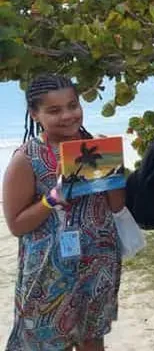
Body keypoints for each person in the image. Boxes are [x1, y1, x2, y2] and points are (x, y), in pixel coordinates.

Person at [2, 74, 124, 351]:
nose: (68, 115)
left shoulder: (94, 147)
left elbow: (116, 206)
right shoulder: (26, 158)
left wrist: (115, 169)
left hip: (98, 262)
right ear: (35, 114)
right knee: (48, 341)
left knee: (92, 337)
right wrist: (53, 198)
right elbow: (17, 225)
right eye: (54, 110)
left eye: (73, 105)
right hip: (49, 271)